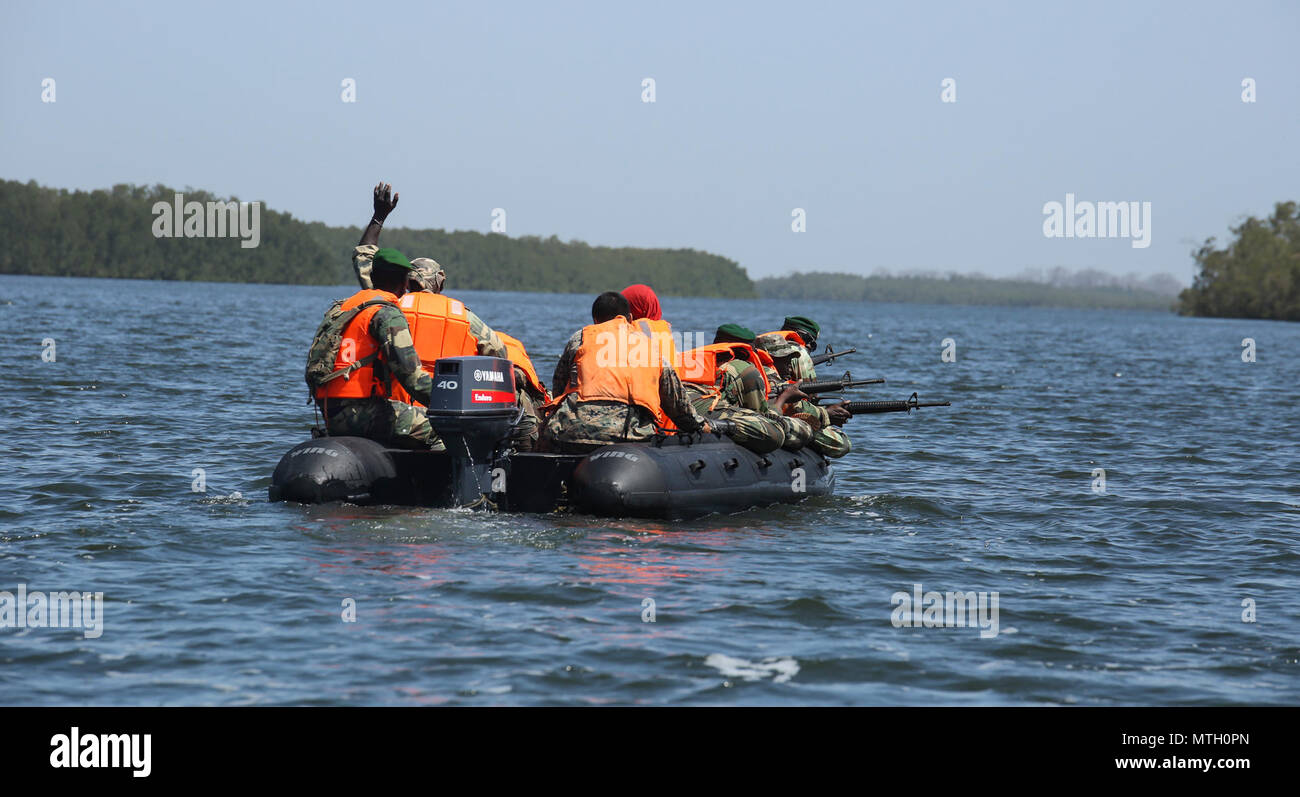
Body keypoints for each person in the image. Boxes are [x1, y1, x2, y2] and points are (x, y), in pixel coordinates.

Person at [350, 183, 542, 451]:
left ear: (406, 280)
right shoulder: (462, 316)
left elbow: (364, 257)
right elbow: (499, 355)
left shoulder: (384, 302)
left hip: (390, 413)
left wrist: (378, 217)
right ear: (439, 283)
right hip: (441, 417)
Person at [538, 292, 711, 453]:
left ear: (595, 320)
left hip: (570, 435)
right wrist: (702, 427)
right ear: (630, 319)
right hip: (630, 438)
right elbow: (677, 404)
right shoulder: (650, 346)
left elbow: (559, 388)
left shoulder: (581, 337)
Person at [310, 247, 436, 448]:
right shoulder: (387, 314)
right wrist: (448, 404)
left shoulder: (345, 307)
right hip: (360, 413)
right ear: (404, 283)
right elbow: (411, 377)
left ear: (373, 276)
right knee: (440, 426)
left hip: (329, 411)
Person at [679, 324, 813, 453]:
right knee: (775, 432)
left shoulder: (697, 360)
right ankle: (718, 426)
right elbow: (762, 415)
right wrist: (783, 399)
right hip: (703, 411)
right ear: (747, 349)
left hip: (680, 404)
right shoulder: (744, 369)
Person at [756, 316, 854, 458]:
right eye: (812, 344)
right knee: (842, 443)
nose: (790, 366)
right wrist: (824, 414)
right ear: (804, 337)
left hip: (771, 412)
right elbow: (809, 397)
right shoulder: (801, 353)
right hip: (781, 415)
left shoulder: (759, 348)